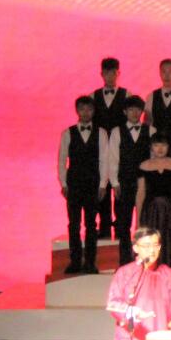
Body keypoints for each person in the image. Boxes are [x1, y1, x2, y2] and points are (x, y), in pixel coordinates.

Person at [57, 95, 106, 274]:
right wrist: (63, 183)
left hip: (93, 183)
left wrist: (103, 184)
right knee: (74, 224)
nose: (86, 113)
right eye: (82, 109)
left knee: (92, 224)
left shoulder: (101, 133)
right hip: (74, 183)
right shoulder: (67, 133)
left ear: (93, 111)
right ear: (77, 111)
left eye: (89, 109)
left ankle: (90, 262)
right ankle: (75, 261)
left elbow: (104, 160)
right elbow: (62, 160)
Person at [104, 95, 150, 264]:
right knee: (123, 223)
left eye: (138, 109)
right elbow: (113, 158)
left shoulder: (150, 131)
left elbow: (154, 157)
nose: (135, 113)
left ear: (142, 112)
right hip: (124, 182)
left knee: (144, 221)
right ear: (125, 112)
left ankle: (145, 258)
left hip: (145, 183)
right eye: (131, 110)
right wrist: (115, 183)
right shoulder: (117, 132)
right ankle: (124, 260)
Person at [135, 135, 171, 280]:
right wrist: (138, 218)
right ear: (151, 147)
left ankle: (169, 280)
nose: (160, 149)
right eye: (156, 145)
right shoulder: (144, 166)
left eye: (163, 145)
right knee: (151, 243)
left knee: (170, 244)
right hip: (151, 212)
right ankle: (149, 279)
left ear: (168, 147)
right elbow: (140, 193)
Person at [91, 57, 127, 238]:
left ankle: (120, 227)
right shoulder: (93, 96)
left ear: (118, 73)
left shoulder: (127, 95)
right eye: (106, 73)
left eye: (113, 72)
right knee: (102, 189)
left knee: (119, 188)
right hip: (99, 151)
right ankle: (104, 228)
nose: (110, 76)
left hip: (120, 150)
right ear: (101, 74)